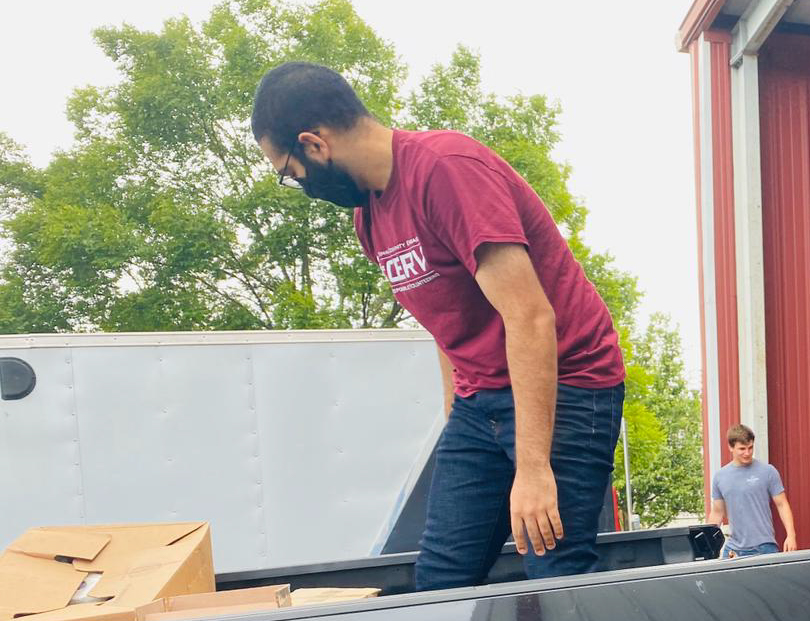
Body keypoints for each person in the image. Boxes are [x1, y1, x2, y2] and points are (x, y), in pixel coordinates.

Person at [251, 62, 625, 589]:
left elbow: (531, 316)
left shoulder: (446, 169)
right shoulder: (371, 217)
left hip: (567, 386)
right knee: (442, 580)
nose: (298, 184)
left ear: (314, 144)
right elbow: (442, 316)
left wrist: (534, 467)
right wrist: (458, 415)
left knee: (553, 572)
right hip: (483, 403)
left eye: (288, 172)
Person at [709, 424, 798, 558]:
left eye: (750, 448)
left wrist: (791, 536)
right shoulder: (720, 477)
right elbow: (717, 512)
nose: (747, 453)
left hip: (764, 547)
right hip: (733, 550)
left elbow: (782, 504)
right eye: (742, 449)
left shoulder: (768, 471)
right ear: (731, 447)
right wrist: (709, 544)